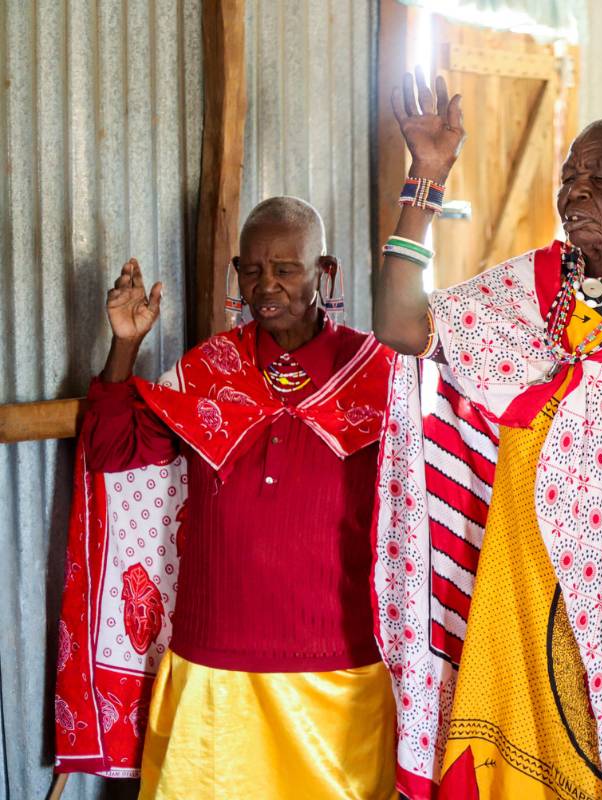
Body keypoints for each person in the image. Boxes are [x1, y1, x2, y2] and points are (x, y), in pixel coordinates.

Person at [372, 70, 602, 800]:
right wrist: (424, 181)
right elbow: (399, 325)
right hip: (522, 589)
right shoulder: (529, 292)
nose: (576, 191)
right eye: (570, 176)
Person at [55, 197, 400, 798]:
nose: (266, 285)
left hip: (339, 670)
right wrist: (125, 346)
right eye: (251, 269)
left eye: (286, 269)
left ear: (327, 272)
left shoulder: (376, 372)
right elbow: (114, 454)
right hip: (213, 667)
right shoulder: (208, 370)